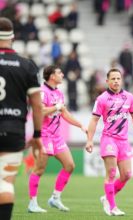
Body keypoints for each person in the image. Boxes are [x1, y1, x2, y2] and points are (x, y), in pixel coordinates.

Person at [28, 65, 87, 213]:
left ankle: (55, 198)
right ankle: (32, 203)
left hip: (56, 136)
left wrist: (80, 125)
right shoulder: (42, 91)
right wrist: (56, 107)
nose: (62, 74)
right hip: (44, 135)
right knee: (39, 168)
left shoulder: (59, 93)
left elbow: (65, 113)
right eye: (59, 73)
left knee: (70, 165)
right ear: (52, 76)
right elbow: (40, 111)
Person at [0, 17, 43, 220]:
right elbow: (36, 105)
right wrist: (37, 134)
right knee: (5, 183)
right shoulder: (27, 65)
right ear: (13, 38)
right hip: (13, 132)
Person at [85, 68, 133, 216]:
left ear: (121, 80)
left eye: (118, 78)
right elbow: (94, 120)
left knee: (127, 174)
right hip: (109, 139)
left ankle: (106, 198)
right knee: (111, 173)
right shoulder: (102, 99)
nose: (116, 81)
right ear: (107, 81)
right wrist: (89, 140)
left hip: (124, 140)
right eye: (113, 78)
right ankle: (112, 206)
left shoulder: (129, 97)